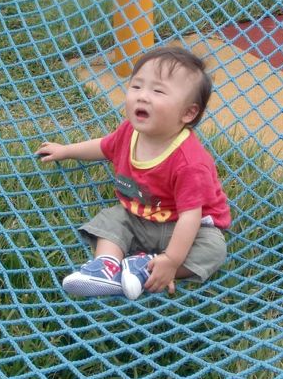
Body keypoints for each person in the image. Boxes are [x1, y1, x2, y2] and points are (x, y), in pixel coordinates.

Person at [36, 46, 230, 300]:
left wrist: (171, 260)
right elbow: (104, 146)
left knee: (213, 249)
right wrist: (66, 150)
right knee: (112, 219)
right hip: (139, 215)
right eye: (136, 86)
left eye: (158, 91)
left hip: (184, 227)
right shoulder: (129, 132)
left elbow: (190, 218)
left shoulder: (190, 162)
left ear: (188, 112)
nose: (142, 96)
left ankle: (148, 268)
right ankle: (106, 267)